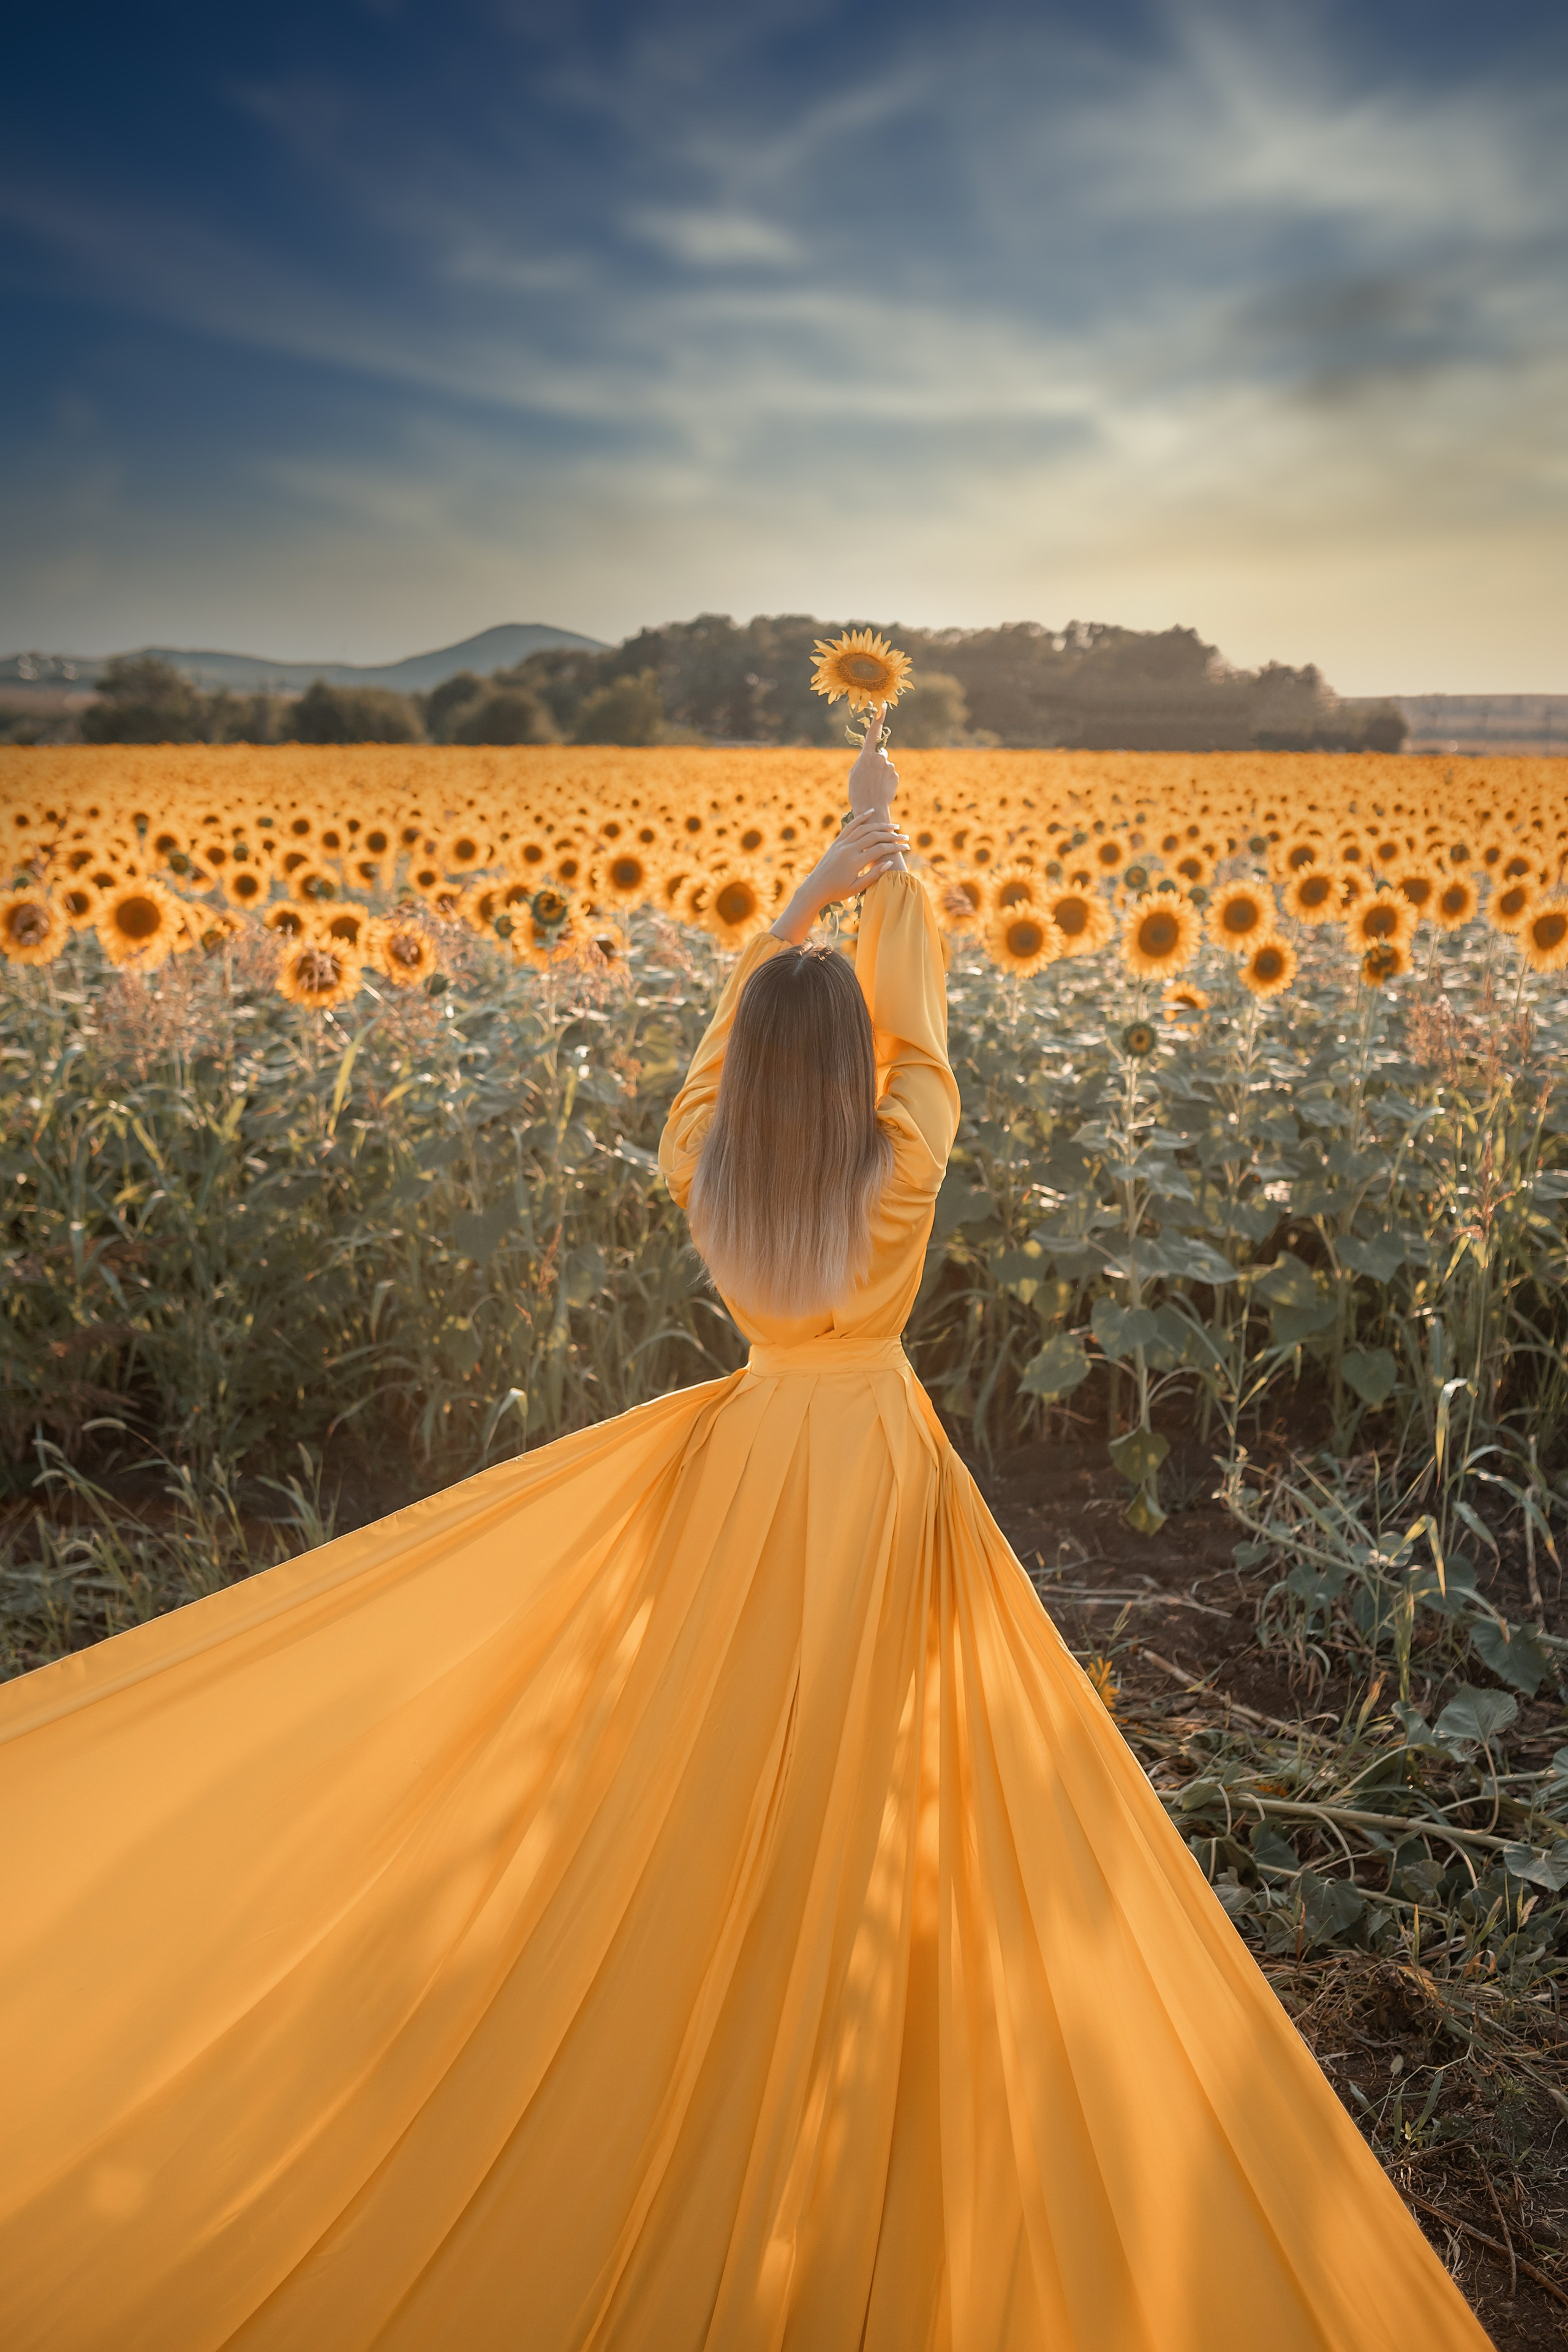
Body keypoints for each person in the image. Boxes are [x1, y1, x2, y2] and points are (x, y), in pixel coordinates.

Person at [0, 714, 1487, 2350]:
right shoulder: (900, 1174)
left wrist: (796, 908)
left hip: (746, 1447)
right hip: (865, 1462)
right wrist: (887, 870)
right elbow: (930, 1058)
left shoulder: (708, 1173)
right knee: (878, 1750)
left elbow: (723, 1070)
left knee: (717, 1730)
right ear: (847, 1079)